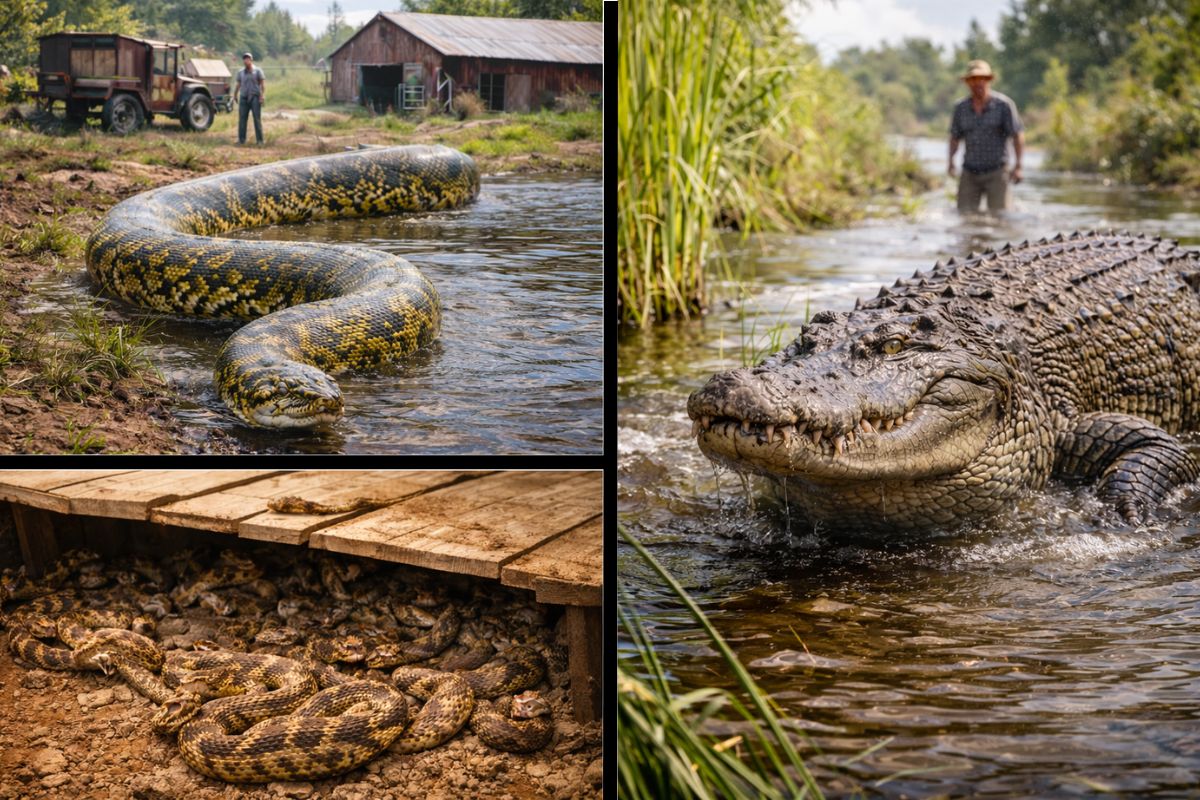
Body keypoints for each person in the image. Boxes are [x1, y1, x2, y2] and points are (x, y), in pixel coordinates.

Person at [948, 60, 1024, 214]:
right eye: (973, 79)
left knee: (1000, 217)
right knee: (964, 216)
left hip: (997, 172)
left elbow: (1017, 136)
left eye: (982, 78)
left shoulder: (1004, 105)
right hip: (969, 172)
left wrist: (1018, 166)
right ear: (968, 82)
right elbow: (954, 137)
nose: (978, 83)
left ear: (989, 80)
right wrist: (950, 162)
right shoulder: (960, 108)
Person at [235, 52, 265, 145]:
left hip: (255, 97)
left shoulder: (258, 71)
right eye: (244, 59)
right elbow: (238, 84)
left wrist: (262, 96)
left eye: (248, 58)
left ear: (251, 60)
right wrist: (235, 94)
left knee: (257, 118)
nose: (246, 60)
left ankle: (260, 141)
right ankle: (241, 140)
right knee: (242, 119)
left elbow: (262, 85)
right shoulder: (241, 72)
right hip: (243, 97)